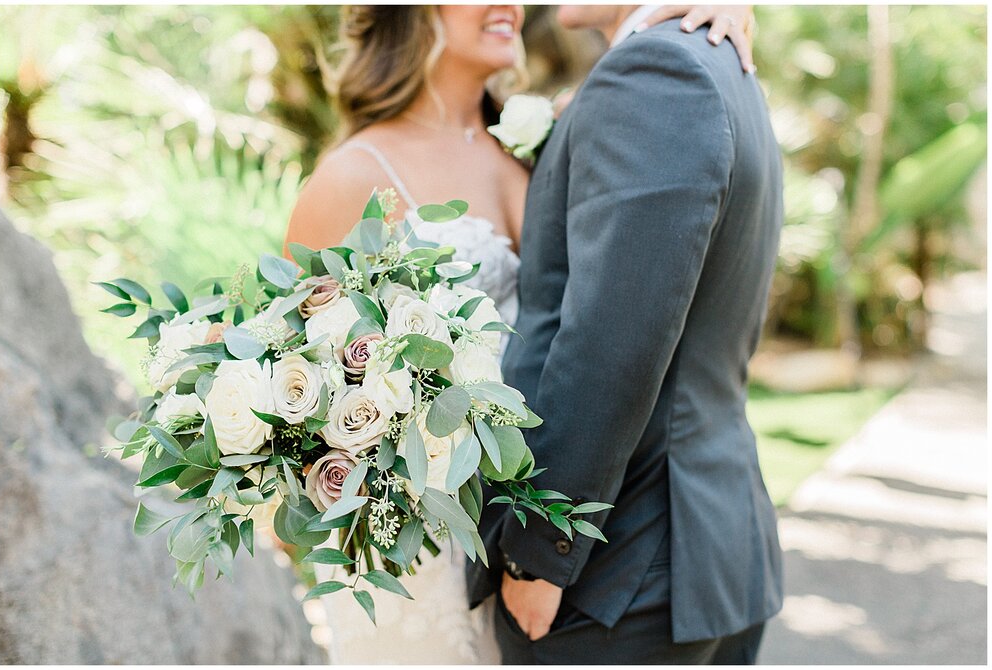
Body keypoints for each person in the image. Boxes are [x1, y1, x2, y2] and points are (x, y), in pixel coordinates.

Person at [284, 5, 755, 664]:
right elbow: (296, 392)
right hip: (423, 547)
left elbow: (618, 309)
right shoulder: (352, 176)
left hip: (532, 531)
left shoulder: (542, 141)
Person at [465, 4, 784, 665]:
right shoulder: (716, 62)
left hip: (620, 572)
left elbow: (607, 345)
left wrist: (538, 556)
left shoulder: (656, 70)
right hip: (709, 553)